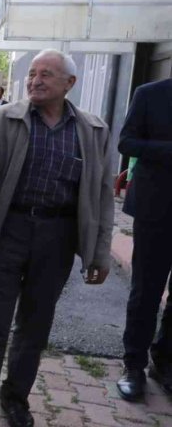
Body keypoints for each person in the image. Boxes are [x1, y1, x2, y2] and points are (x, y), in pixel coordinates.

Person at [0, 49, 114, 427]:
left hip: (58, 237)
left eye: (46, 74)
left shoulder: (93, 130)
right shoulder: (3, 120)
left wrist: (100, 251)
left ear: (70, 84)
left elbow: (101, 194)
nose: (35, 80)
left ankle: (15, 399)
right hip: (7, 232)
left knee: (35, 324)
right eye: (32, 73)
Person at [116, 77, 172, 401]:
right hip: (156, 210)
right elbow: (127, 142)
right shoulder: (150, 94)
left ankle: (163, 363)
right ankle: (133, 366)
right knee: (146, 293)